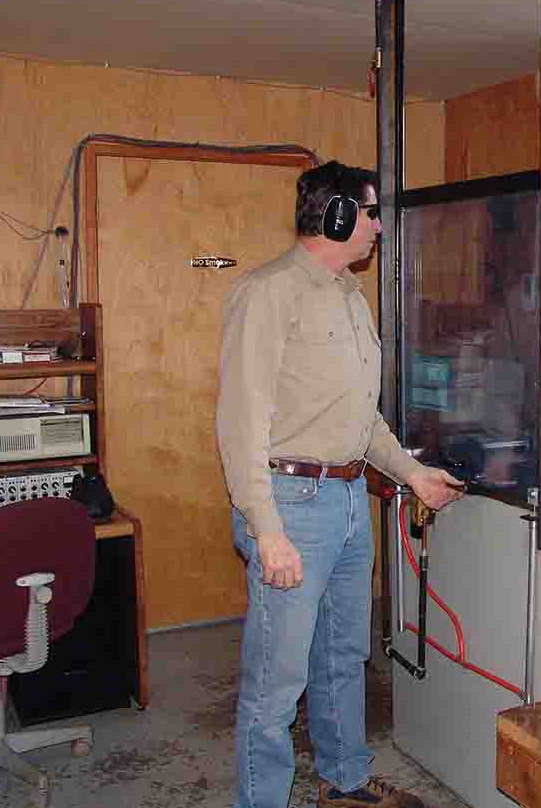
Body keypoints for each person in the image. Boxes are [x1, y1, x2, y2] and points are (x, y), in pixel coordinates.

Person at [216, 160, 464, 808]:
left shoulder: (350, 295)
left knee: (344, 657)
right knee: (276, 681)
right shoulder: (268, 293)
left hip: (351, 499)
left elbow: (362, 418)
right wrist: (267, 532)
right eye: (373, 212)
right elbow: (241, 425)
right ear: (338, 216)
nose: (380, 226)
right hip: (292, 505)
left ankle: (345, 780)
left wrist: (410, 473)